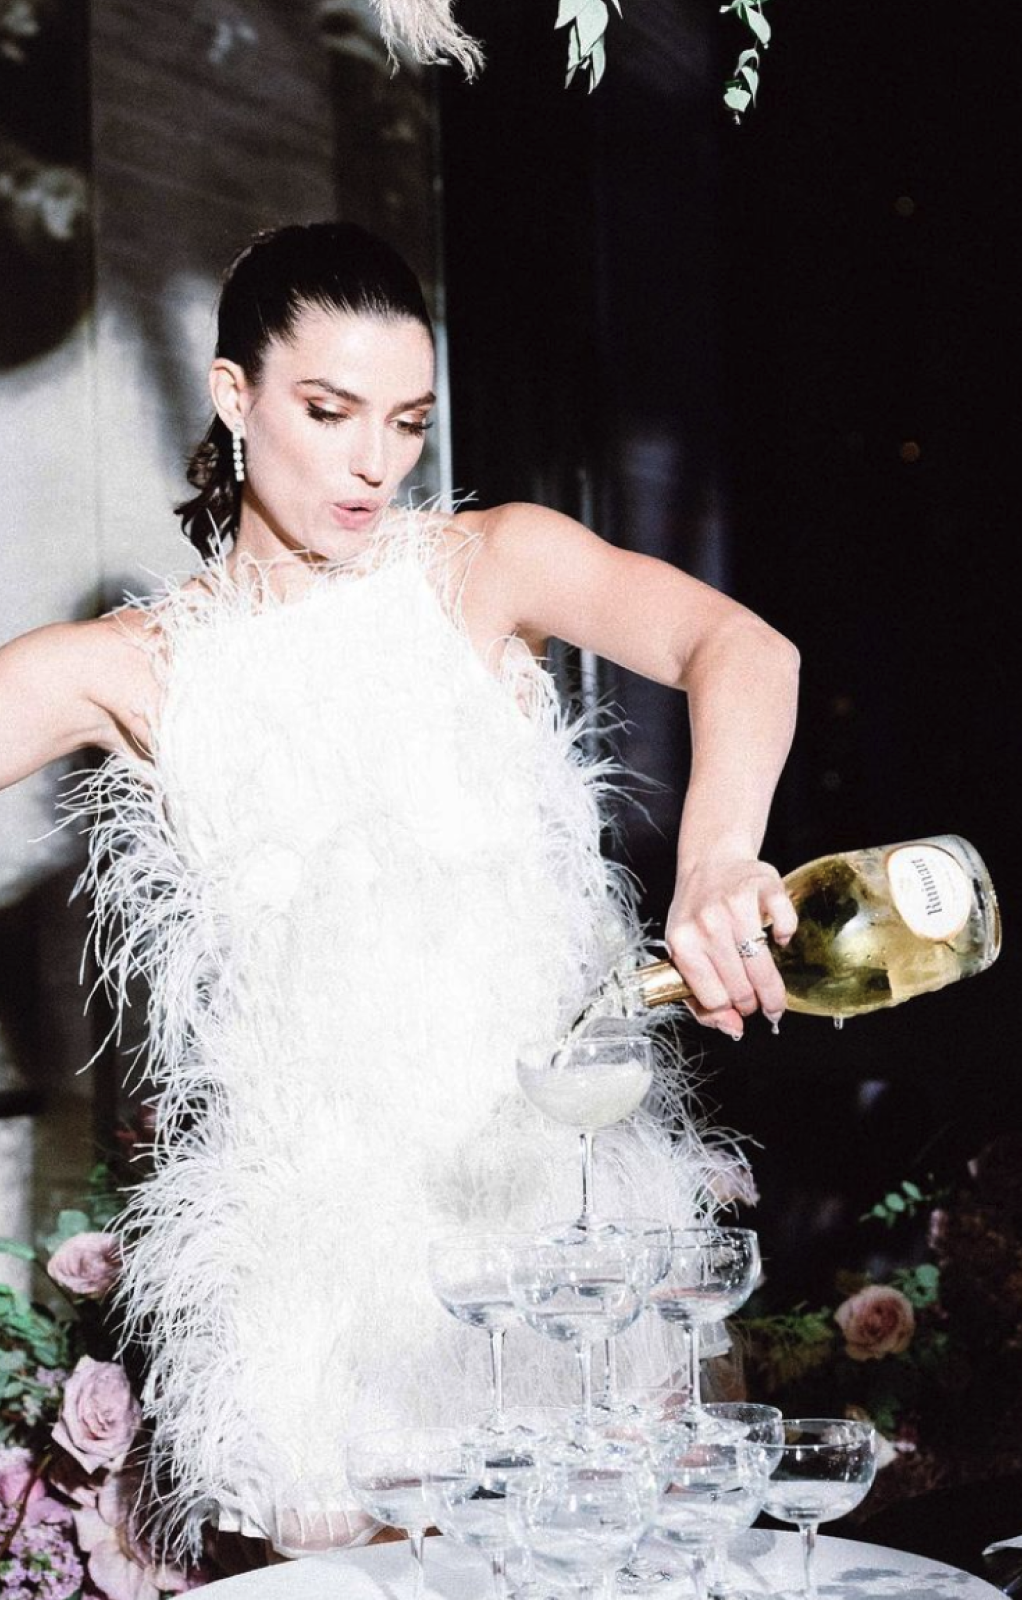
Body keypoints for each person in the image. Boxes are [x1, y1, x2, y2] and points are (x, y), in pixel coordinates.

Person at [0, 221, 800, 1562]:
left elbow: (740, 645)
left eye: (407, 421)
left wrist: (716, 855)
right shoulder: (128, 665)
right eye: (328, 411)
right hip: (325, 1278)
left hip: (567, 1234)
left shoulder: (490, 566)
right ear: (235, 395)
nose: (375, 461)